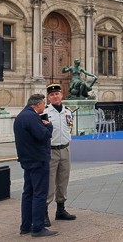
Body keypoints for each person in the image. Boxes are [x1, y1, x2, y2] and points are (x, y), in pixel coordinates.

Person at [13, 94, 58, 237]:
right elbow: (43, 136)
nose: (44, 106)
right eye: (43, 104)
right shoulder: (32, 117)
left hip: (27, 160)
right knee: (39, 194)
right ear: (38, 104)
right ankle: (38, 227)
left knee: (28, 193)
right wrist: (49, 126)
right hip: (38, 160)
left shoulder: (21, 116)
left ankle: (25, 225)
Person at [44, 84, 76, 228]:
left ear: (62, 95)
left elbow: (70, 128)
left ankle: (60, 209)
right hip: (51, 151)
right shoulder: (44, 112)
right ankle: (43, 213)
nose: (55, 96)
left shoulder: (68, 112)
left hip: (65, 149)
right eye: (52, 95)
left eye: (57, 94)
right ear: (48, 97)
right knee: (49, 183)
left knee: (63, 180)